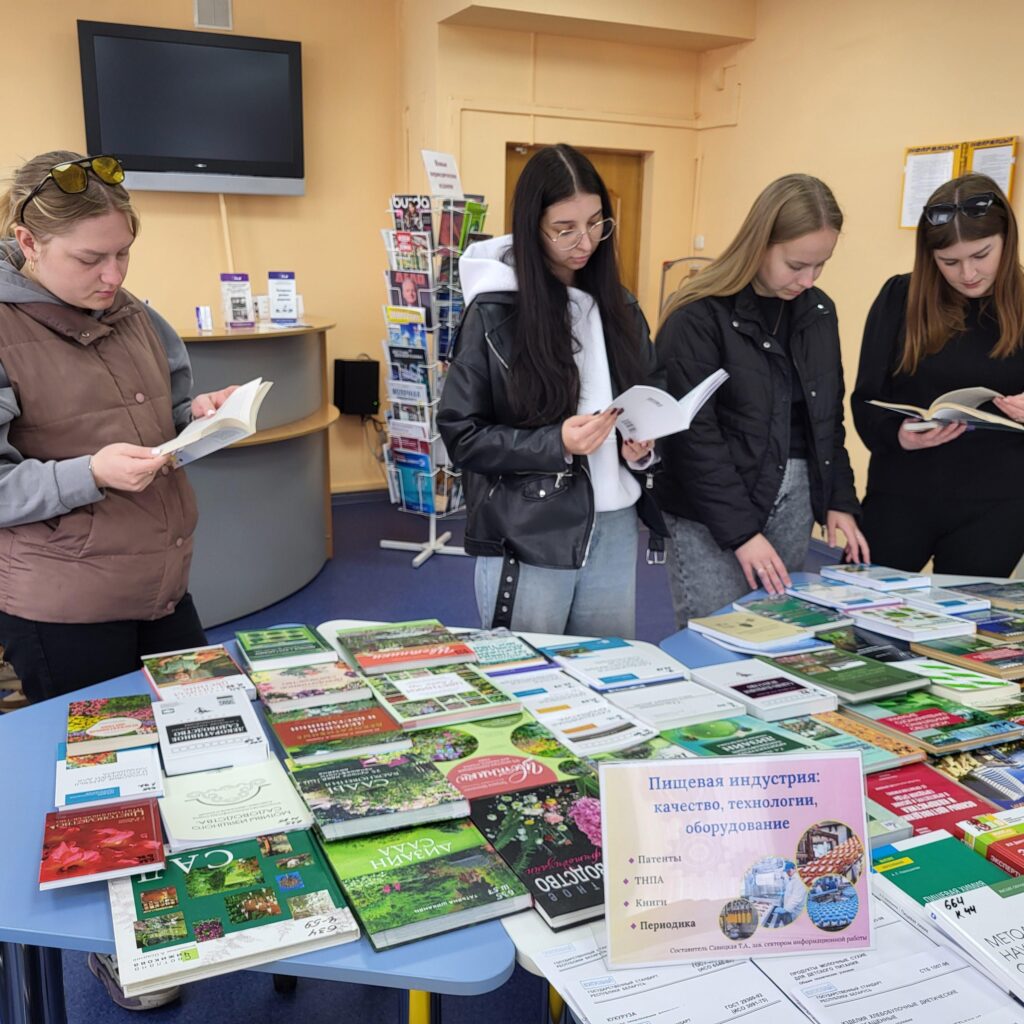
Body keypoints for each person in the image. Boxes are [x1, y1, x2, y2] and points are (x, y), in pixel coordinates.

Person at [0, 152, 242, 1004]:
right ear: (26, 241)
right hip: (61, 602)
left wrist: (197, 419)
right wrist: (88, 473)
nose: (112, 276)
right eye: (89, 260)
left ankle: (191, 903)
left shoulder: (135, 312)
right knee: (106, 784)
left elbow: (162, 409)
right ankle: (120, 946)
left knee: (198, 746)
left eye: (123, 255)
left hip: (157, 581)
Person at [437, 143, 665, 638]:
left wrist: (643, 448)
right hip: (531, 527)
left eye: (596, 223)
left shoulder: (621, 307)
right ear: (531, 226)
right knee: (528, 679)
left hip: (617, 522)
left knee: (608, 677)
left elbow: (649, 398)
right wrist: (556, 442)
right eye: (564, 229)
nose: (584, 242)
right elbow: (462, 434)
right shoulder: (496, 312)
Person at [653, 174, 867, 627]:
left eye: (821, 265)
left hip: (793, 496)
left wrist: (840, 498)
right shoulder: (698, 316)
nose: (808, 280)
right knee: (715, 636)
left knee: (774, 634)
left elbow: (826, 417)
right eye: (796, 265)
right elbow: (693, 440)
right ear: (760, 243)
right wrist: (742, 533)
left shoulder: (818, 311)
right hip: (710, 509)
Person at [852, 173, 1024, 576]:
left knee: (969, 634)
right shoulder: (899, 297)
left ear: (1007, 239)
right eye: (949, 262)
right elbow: (864, 400)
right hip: (900, 493)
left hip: (997, 505)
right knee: (859, 623)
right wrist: (895, 434)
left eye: (981, 255)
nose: (967, 273)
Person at [776, 861, 806, 926]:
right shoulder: (793, 878)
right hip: (792, 910)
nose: (787, 873)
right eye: (786, 871)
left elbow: (796, 898)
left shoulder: (799, 880)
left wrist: (786, 909)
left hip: (797, 911)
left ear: (794, 868)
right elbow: (791, 891)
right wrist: (785, 893)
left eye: (789, 871)